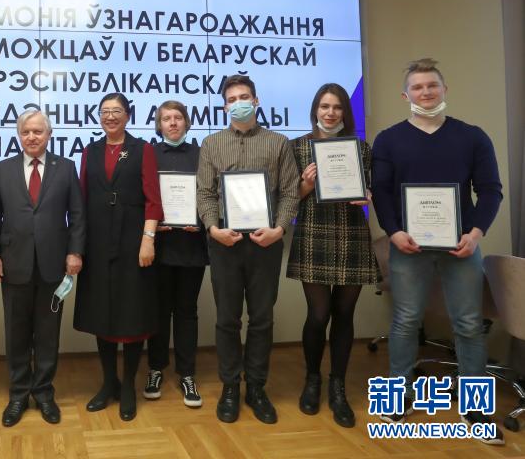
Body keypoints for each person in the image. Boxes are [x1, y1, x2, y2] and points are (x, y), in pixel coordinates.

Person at [371, 58, 504, 445]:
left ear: (445, 89)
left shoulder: (473, 137)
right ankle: (398, 397)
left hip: (461, 246)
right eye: (417, 87)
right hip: (407, 247)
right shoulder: (389, 140)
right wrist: (393, 232)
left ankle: (475, 407)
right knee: (405, 322)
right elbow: (382, 192)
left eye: (432, 85)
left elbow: (490, 191)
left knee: (469, 323)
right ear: (405, 95)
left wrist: (476, 233)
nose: (425, 92)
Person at [197, 74, 299, 425]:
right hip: (224, 243)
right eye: (232, 99)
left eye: (244, 97)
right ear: (224, 106)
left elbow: (289, 192)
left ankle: (256, 387)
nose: (238, 103)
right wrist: (213, 228)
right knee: (227, 319)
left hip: (265, 243)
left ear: (256, 101)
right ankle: (230, 386)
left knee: (262, 318)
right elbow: (205, 193)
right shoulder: (211, 144)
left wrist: (279, 229)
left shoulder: (278, 143)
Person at [0, 110, 86, 427]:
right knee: (16, 334)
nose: (32, 137)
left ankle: (43, 393)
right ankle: (18, 394)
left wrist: (75, 252)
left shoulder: (65, 168)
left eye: (38, 131)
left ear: (48, 134)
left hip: (54, 265)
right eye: (26, 131)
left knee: (47, 334)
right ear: (19, 135)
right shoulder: (2, 170)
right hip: (14, 263)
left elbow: (77, 215)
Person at [286, 84, 378, 428]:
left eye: (337, 107)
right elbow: (288, 198)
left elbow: (370, 190)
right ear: (315, 110)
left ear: (345, 113)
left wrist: (367, 195)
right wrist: (306, 185)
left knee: (344, 314)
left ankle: (337, 385)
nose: (330, 113)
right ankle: (312, 379)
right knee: (318, 314)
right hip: (314, 234)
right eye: (324, 106)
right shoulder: (297, 147)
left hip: (352, 235)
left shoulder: (361, 148)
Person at [73, 92, 163, 421]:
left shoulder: (143, 149)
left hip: (132, 243)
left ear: (128, 115)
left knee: (131, 314)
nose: (110, 116)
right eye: (105, 111)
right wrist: (78, 245)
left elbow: (153, 200)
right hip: (97, 244)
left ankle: (128, 387)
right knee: (102, 314)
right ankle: (109, 382)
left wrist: (148, 240)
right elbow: (81, 200)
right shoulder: (90, 151)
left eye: (116, 111)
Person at [143, 100, 207, 408]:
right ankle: (155, 369)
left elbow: (211, 194)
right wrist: (153, 225)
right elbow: (142, 197)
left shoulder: (202, 154)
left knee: (187, 311)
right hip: (159, 246)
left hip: (192, 246)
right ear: (159, 125)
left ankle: (187, 373)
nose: (172, 123)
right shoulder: (148, 154)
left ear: (186, 122)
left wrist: (202, 220)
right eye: (166, 118)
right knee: (157, 311)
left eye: (178, 117)